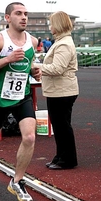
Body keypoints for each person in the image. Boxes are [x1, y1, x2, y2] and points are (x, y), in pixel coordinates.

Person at [0, 2, 41, 201]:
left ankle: (17, 180)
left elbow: (28, 63)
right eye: (18, 13)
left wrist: (33, 70)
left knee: (30, 136)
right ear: (7, 18)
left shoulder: (32, 40)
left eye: (26, 14)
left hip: (22, 96)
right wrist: (7, 59)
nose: (24, 17)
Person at [33, 11, 79, 170]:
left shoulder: (64, 44)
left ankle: (67, 159)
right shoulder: (62, 42)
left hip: (62, 91)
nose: (50, 27)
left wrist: (36, 66)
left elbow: (58, 68)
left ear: (58, 25)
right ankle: (61, 156)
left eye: (52, 24)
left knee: (62, 126)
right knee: (61, 126)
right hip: (59, 90)